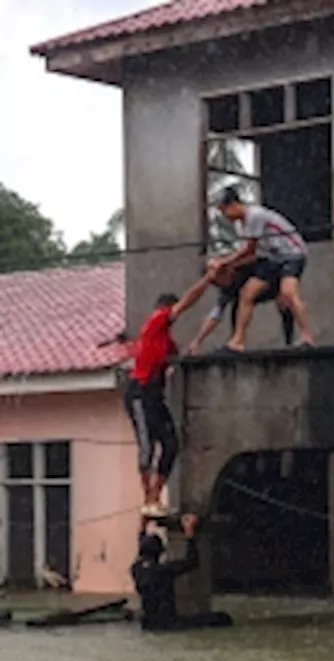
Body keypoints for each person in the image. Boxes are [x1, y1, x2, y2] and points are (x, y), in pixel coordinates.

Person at [120, 274, 216, 518]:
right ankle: (148, 499)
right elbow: (187, 301)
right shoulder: (156, 320)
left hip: (154, 394)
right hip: (139, 392)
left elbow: (173, 356)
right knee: (147, 446)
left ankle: (156, 494)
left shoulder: (165, 340)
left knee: (171, 445)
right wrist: (208, 280)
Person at [211, 188, 317, 352]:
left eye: (224, 210)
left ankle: (307, 336)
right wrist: (231, 265)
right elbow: (253, 254)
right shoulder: (242, 226)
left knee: (288, 292)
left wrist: (224, 262)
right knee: (247, 293)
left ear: (232, 205)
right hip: (272, 259)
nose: (225, 215)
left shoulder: (255, 215)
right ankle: (237, 341)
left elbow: (249, 249)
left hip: (292, 254)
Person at [131, 513, 233, 632]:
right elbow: (192, 561)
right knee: (223, 618)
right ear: (161, 552)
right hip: (169, 623)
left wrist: (143, 525)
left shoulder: (136, 569)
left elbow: (143, 550)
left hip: (148, 623)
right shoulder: (164, 571)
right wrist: (190, 534)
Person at [186, 257, 296, 354]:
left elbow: (253, 257)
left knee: (282, 301)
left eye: (217, 279)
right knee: (237, 306)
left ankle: (290, 340)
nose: (219, 285)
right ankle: (236, 340)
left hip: (268, 278)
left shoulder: (240, 268)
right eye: (215, 283)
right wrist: (197, 341)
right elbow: (216, 314)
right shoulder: (227, 289)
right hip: (253, 293)